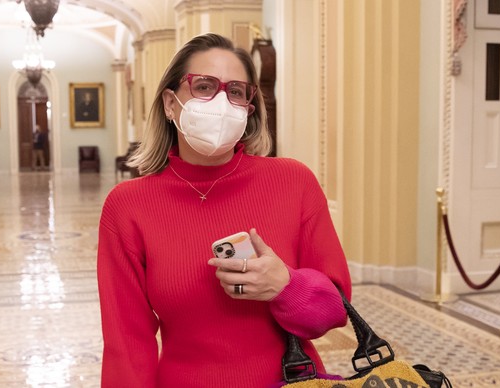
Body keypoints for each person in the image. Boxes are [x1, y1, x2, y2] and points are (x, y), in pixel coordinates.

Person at [97, 33, 351, 387]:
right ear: (171, 104)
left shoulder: (294, 182)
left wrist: (285, 285)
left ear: (249, 108)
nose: (221, 102)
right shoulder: (128, 206)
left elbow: (334, 312)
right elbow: (127, 343)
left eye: (235, 91)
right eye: (203, 86)